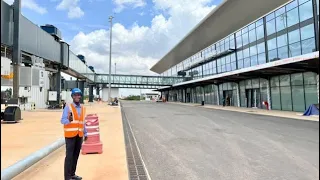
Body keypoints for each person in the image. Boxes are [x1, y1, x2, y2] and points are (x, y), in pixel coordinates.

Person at [60, 88, 87, 180]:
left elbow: (83, 122)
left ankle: (72, 174)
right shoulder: (68, 107)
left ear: (80, 96)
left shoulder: (83, 108)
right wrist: (69, 120)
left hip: (79, 135)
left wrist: (85, 133)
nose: (77, 96)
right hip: (70, 136)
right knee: (69, 157)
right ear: (72, 96)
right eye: (75, 95)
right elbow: (62, 120)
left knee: (75, 156)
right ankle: (67, 177)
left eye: (79, 95)